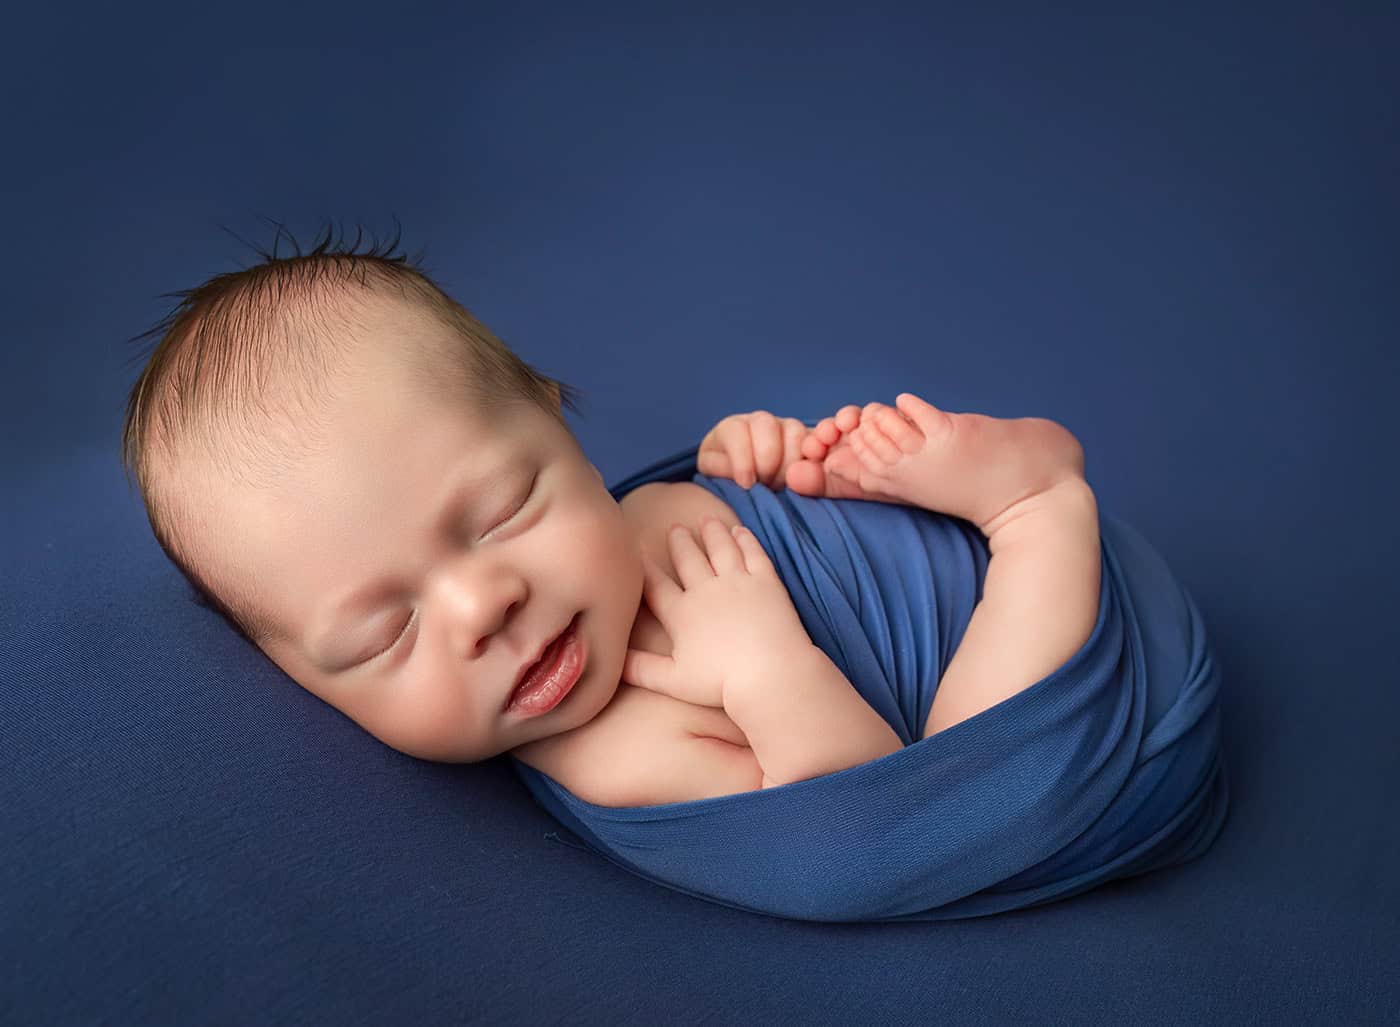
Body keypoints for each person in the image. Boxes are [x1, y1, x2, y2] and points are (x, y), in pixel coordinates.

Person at [120, 238, 1099, 808]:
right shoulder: (612, 757)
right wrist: (765, 666)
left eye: (503, 510)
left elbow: (769, 533)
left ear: (555, 416)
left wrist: (759, 463)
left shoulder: (626, 521)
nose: (481, 606)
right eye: (386, 631)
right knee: (988, 761)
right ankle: (1036, 511)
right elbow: (874, 816)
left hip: (932, 581)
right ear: (294, 679)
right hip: (1069, 731)